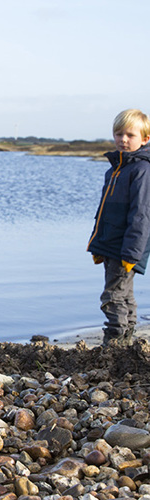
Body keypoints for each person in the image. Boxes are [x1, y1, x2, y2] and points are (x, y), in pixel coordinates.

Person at [87, 108, 150, 346]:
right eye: (119, 133)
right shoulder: (115, 169)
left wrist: (132, 253)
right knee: (125, 294)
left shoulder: (142, 170)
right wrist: (98, 245)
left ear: (145, 139)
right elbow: (105, 213)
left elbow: (142, 214)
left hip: (127, 247)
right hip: (112, 244)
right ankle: (127, 342)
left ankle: (114, 344)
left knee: (113, 296)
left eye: (130, 135)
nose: (123, 139)